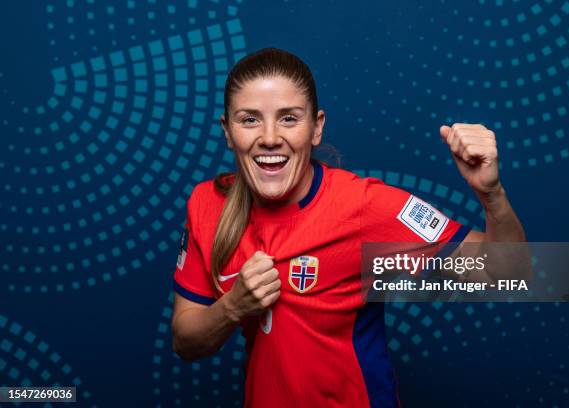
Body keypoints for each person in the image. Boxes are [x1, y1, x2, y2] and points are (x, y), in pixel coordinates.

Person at [171, 48, 526, 407]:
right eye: (249, 120)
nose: (269, 137)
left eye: (289, 119)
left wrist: (490, 194)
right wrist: (232, 307)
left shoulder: (364, 207)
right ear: (228, 131)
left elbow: (507, 272)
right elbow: (185, 341)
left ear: (317, 127)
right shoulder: (208, 204)